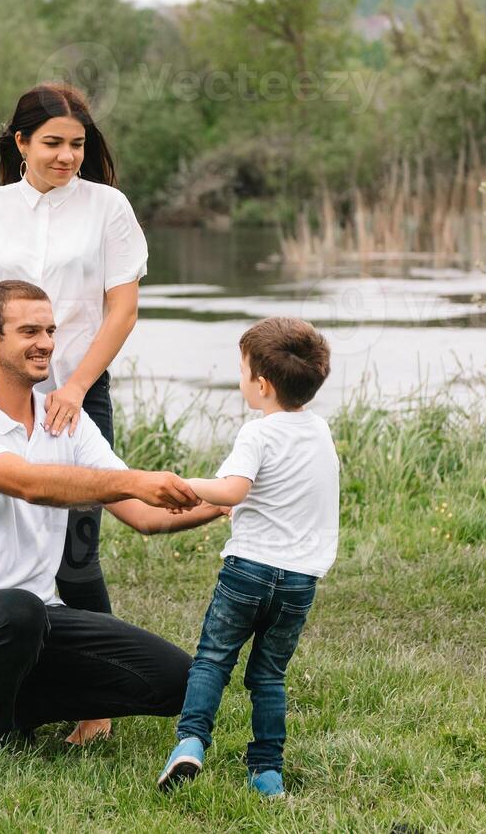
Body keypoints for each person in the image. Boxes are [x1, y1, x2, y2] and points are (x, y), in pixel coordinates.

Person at [0, 280, 229, 748]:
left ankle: (15, 710)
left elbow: (144, 516)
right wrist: (135, 479)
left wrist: (223, 503)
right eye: (30, 331)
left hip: (36, 621)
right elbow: (30, 484)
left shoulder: (66, 419)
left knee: (179, 680)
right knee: (17, 610)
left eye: (51, 330)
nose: (47, 344)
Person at [0, 82, 148, 744]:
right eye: (55, 144)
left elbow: (122, 309)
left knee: (75, 555)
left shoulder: (108, 208)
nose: (68, 157)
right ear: (21, 143)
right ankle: (9, 682)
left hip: (75, 393)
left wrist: (76, 385)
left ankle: (97, 704)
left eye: (78, 145)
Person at [156, 317, 339, 799]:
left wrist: (184, 485)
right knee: (269, 675)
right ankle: (266, 772)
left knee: (213, 660)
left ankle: (191, 741)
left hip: (248, 571)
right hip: (300, 580)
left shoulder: (258, 435)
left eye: (241, 371)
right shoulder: (320, 432)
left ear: (260, 385)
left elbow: (232, 490)